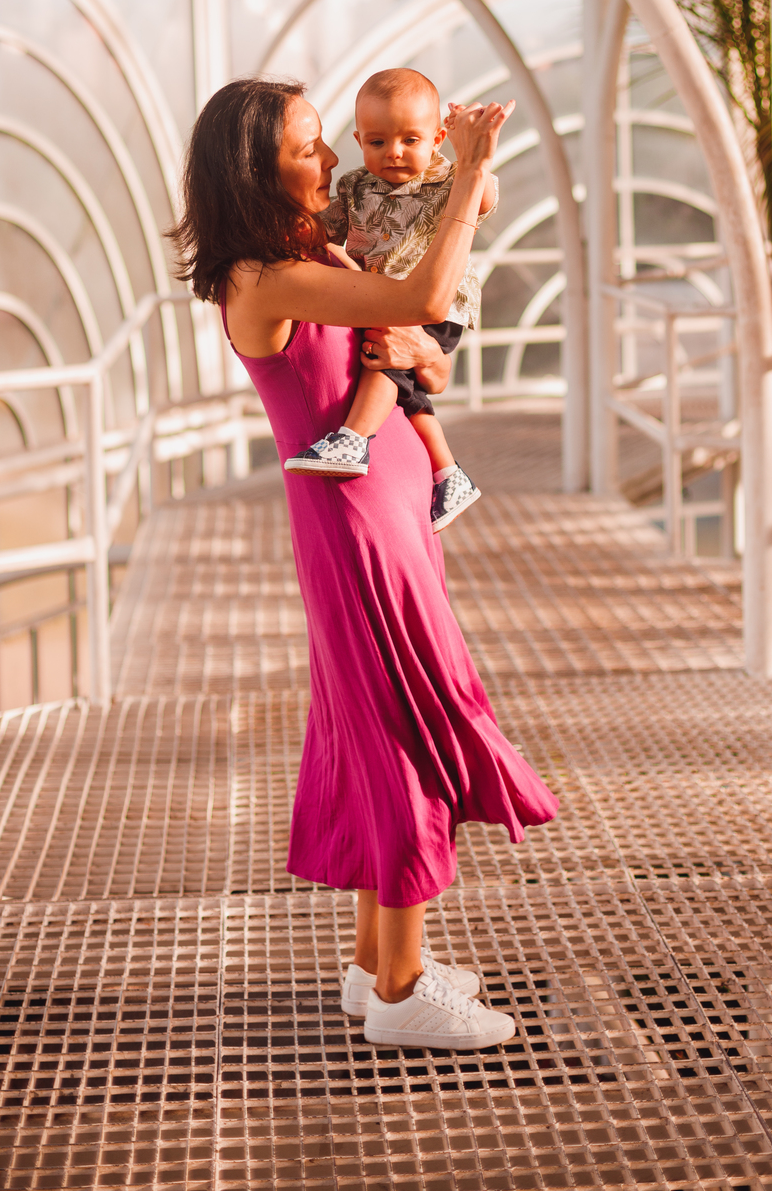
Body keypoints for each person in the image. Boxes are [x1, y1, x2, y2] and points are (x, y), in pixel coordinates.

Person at [171, 77, 558, 1051]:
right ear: (260, 172)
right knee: (399, 732)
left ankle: (376, 966)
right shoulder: (266, 278)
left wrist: (428, 357)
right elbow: (427, 292)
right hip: (356, 526)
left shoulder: (313, 254)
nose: (336, 158)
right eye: (312, 147)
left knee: (381, 723)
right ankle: (399, 992)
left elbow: (415, 337)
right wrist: (466, 171)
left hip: (382, 508)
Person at [282, 66, 490, 535]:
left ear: (437, 137)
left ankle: (354, 439)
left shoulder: (444, 177)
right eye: (377, 142)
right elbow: (326, 227)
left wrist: (473, 158)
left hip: (436, 300)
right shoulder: (356, 187)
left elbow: (483, 195)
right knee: (407, 391)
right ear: (359, 140)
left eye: (409, 141)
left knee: (381, 359)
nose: (393, 152)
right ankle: (449, 474)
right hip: (387, 297)